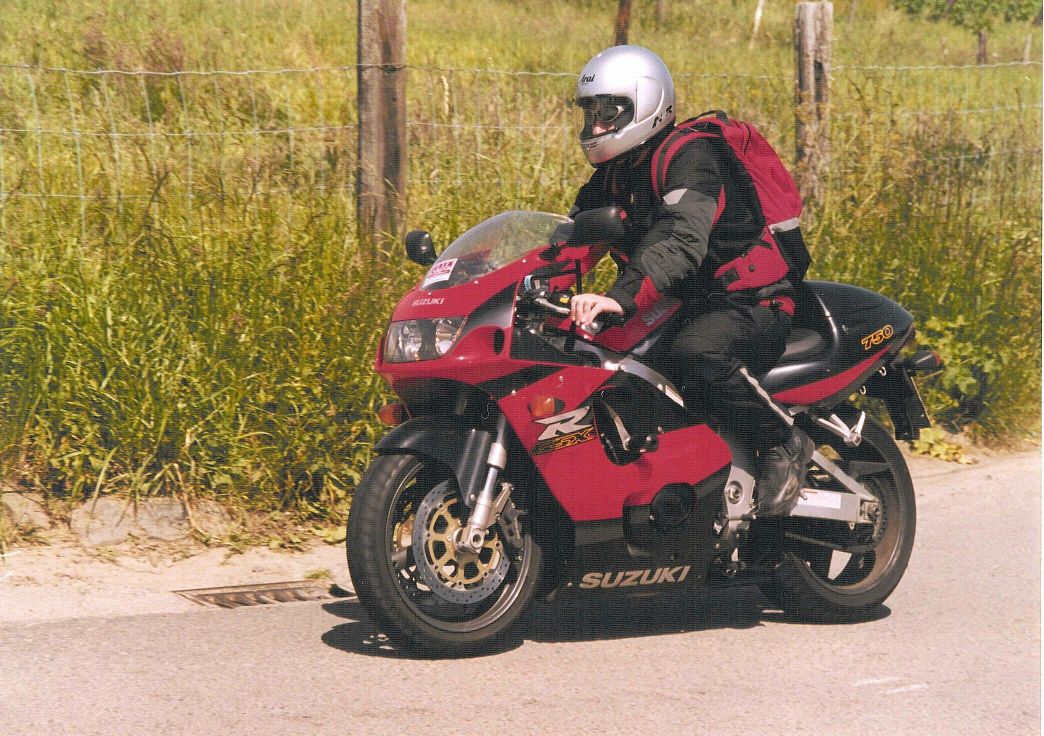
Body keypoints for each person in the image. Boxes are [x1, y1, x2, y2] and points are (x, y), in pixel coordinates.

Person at [566, 45, 814, 515]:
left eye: (607, 113)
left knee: (695, 353)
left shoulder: (691, 158)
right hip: (683, 300)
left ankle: (783, 441)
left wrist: (620, 298)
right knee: (589, 355)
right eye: (590, 114)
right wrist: (518, 284)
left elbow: (680, 240)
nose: (595, 127)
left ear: (646, 105)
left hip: (749, 300)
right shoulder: (615, 175)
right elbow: (570, 239)